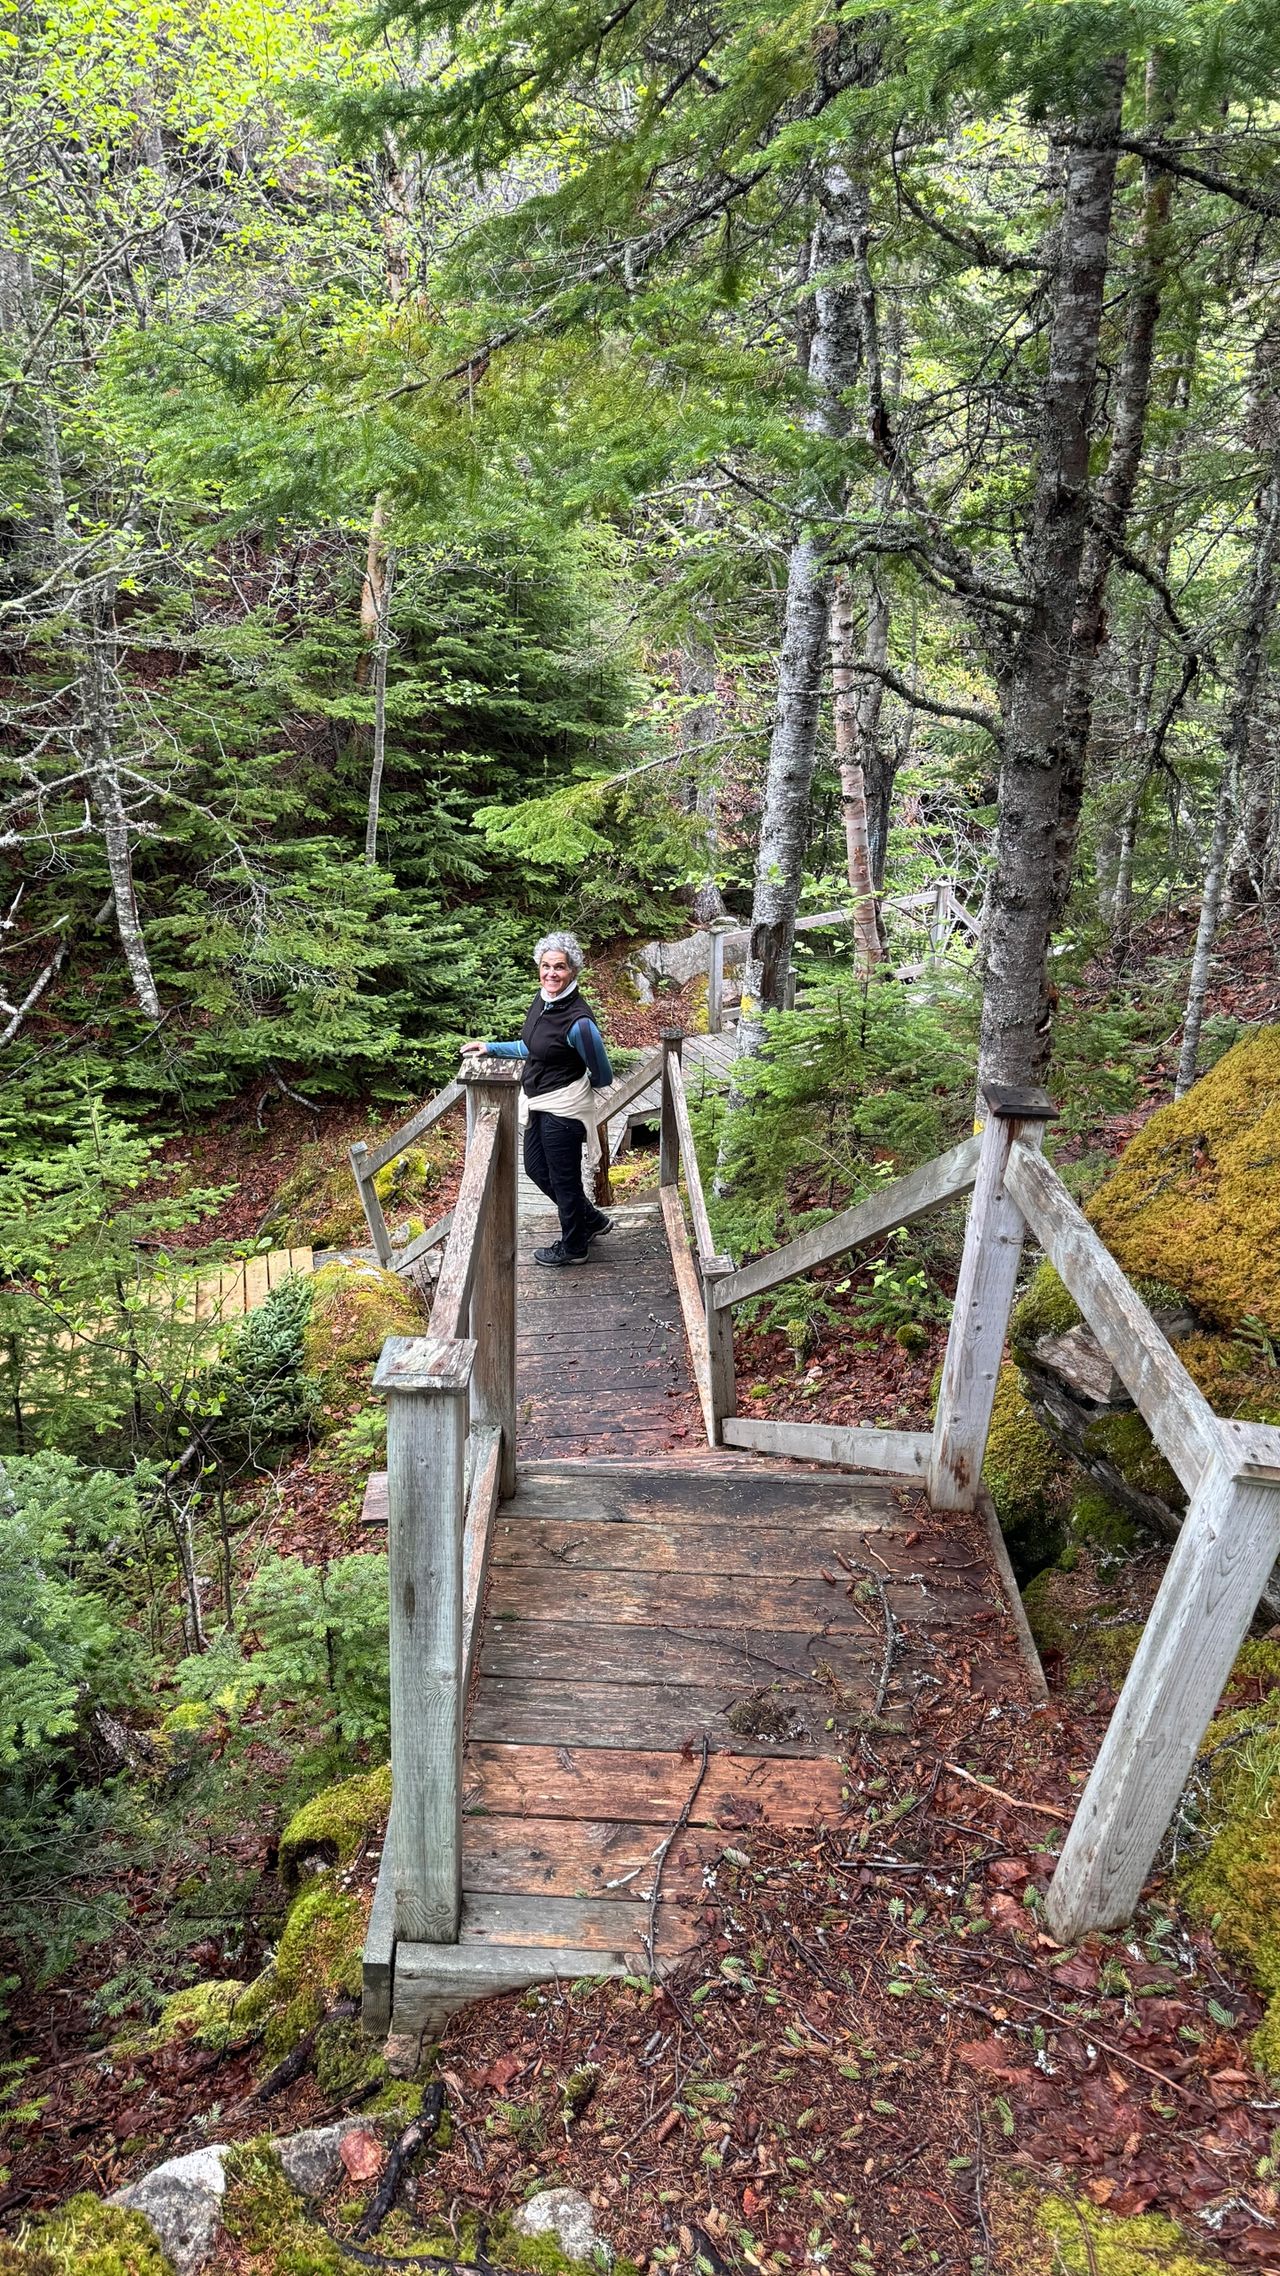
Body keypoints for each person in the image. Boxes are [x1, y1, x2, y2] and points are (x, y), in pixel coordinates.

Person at [462, 932, 614, 1267]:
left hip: (564, 1107)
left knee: (564, 1178)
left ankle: (575, 1246)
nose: (551, 973)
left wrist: (568, 1085)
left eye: (559, 967)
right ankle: (591, 1219)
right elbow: (533, 1047)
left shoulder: (580, 1022)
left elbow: (603, 1076)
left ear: (572, 970)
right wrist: (491, 1047)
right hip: (539, 1100)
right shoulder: (544, 1000)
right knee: (535, 1167)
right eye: (546, 966)